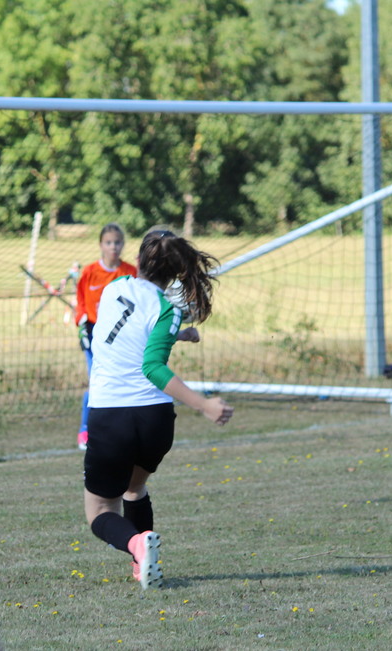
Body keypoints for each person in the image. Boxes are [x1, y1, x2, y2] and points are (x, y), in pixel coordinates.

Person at [83, 230, 233, 590]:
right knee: (134, 489)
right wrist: (177, 333)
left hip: (111, 415)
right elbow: (143, 337)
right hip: (155, 421)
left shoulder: (114, 288)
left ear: (139, 260)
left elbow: (146, 361)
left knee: (100, 512)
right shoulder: (169, 311)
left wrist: (203, 405)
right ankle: (144, 565)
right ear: (176, 272)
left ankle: (136, 544)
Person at [74, 224, 137, 450]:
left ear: (123, 244)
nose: (113, 247)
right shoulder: (90, 272)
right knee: (97, 382)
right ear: (101, 245)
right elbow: (81, 302)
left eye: (117, 242)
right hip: (94, 334)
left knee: (122, 382)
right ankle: (85, 429)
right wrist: (81, 323)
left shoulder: (130, 272)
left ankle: (119, 429)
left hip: (121, 336)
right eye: (109, 242)